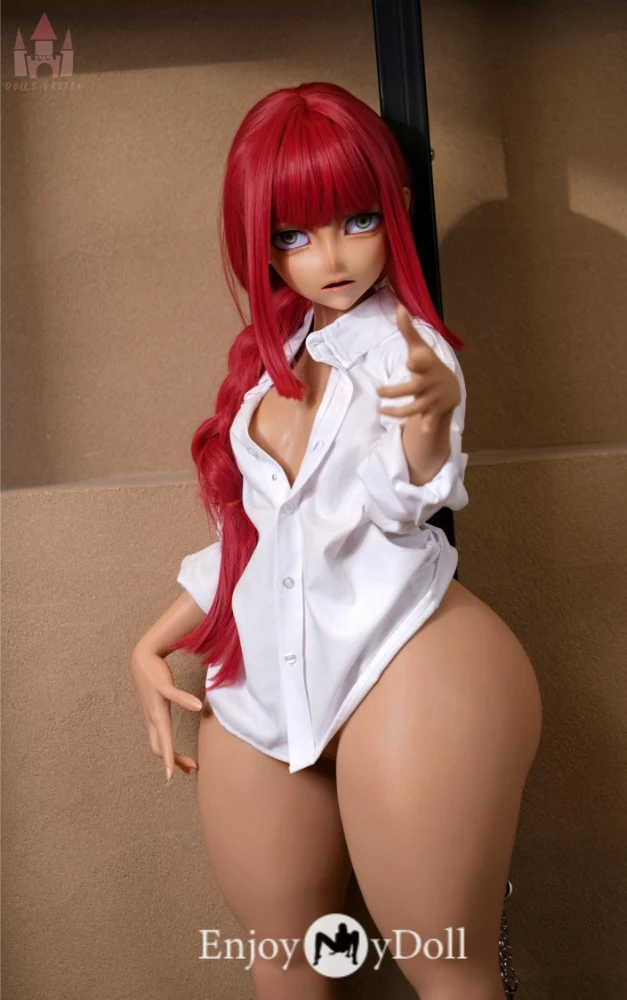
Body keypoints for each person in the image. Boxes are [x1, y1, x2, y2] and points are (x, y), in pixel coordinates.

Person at [130, 81, 542, 1000]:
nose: (332, 256)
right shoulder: (273, 361)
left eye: (358, 220)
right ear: (260, 243)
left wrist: (429, 422)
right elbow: (264, 539)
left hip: (399, 657)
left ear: (394, 209)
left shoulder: (407, 351)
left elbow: (403, 500)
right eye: (294, 235)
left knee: (446, 966)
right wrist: (153, 639)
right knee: (282, 964)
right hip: (268, 695)